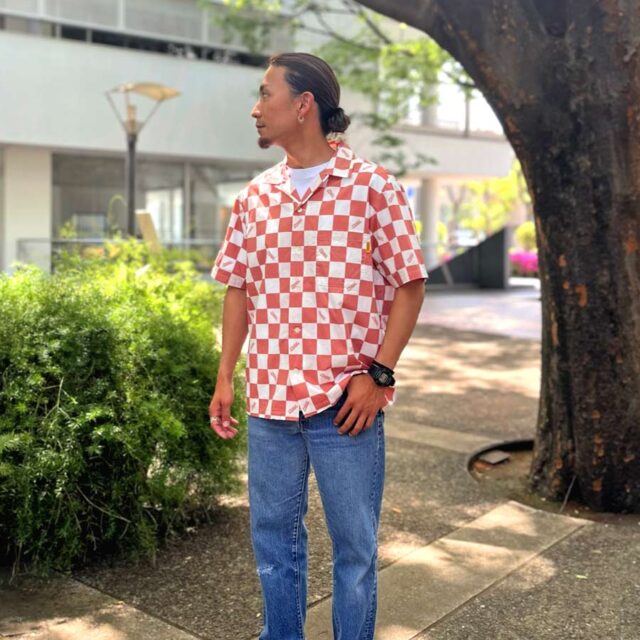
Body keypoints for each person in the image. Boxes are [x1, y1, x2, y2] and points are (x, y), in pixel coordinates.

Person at [208, 52, 428, 640]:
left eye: (266, 94)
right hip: (271, 402)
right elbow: (238, 289)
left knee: (355, 550)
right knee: (273, 543)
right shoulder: (255, 196)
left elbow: (409, 285)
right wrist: (226, 375)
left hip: (344, 405)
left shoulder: (372, 187)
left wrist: (379, 375)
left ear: (304, 104)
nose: (255, 109)